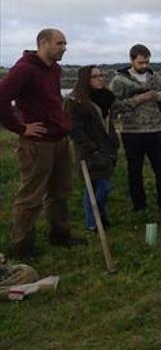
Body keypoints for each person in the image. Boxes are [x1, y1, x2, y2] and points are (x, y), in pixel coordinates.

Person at [0, 29, 85, 260]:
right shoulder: (25, 68)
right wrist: (20, 127)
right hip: (37, 143)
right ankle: (22, 248)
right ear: (43, 43)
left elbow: (53, 101)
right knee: (31, 195)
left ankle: (60, 235)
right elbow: (1, 98)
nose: (64, 47)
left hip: (58, 138)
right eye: (59, 43)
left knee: (60, 191)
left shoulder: (54, 69)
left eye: (65, 43)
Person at [110, 44, 161, 211]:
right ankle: (139, 206)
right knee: (135, 171)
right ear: (132, 61)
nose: (144, 66)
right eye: (140, 63)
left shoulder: (155, 78)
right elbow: (113, 107)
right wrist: (138, 99)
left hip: (155, 129)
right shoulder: (119, 81)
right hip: (132, 131)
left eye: (147, 62)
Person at [63, 66, 119, 231]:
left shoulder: (105, 98)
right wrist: (92, 148)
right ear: (85, 80)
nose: (100, 78)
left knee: (100, 186)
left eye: (101, 75)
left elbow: (107, 123)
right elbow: (74, 129)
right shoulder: (75, 101)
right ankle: (93, 222)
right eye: (95, 76)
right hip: (89, 151)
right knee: (99, 186)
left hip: (106, 148)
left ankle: (99, 217)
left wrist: (113, 142)